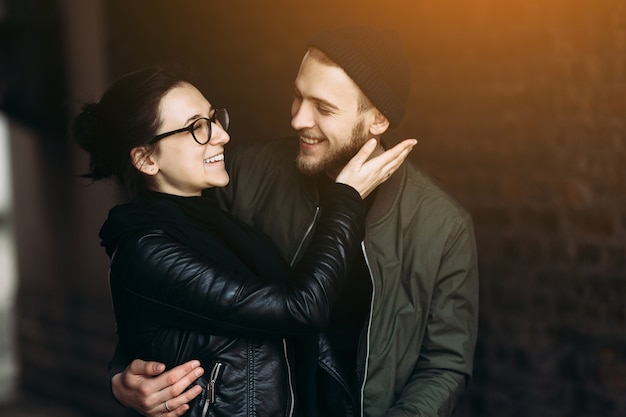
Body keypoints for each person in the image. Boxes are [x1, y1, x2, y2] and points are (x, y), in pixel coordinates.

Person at [111, 25, 479, 417]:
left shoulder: (442, 225)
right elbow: (168, 284)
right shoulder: (242, 175)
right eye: (297, 96)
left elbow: (445, 363)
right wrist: (123, 376)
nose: (299, 119)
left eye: (323, 108)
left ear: (378, 120)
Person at [73, 67, 416, 417]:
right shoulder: (146, 249)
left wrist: (120, 373)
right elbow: (300, 308)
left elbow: (166, 325)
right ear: (146, 159)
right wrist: (345, 201)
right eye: (197, 128)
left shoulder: (218, 217)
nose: (221, 135)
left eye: (213, 119)